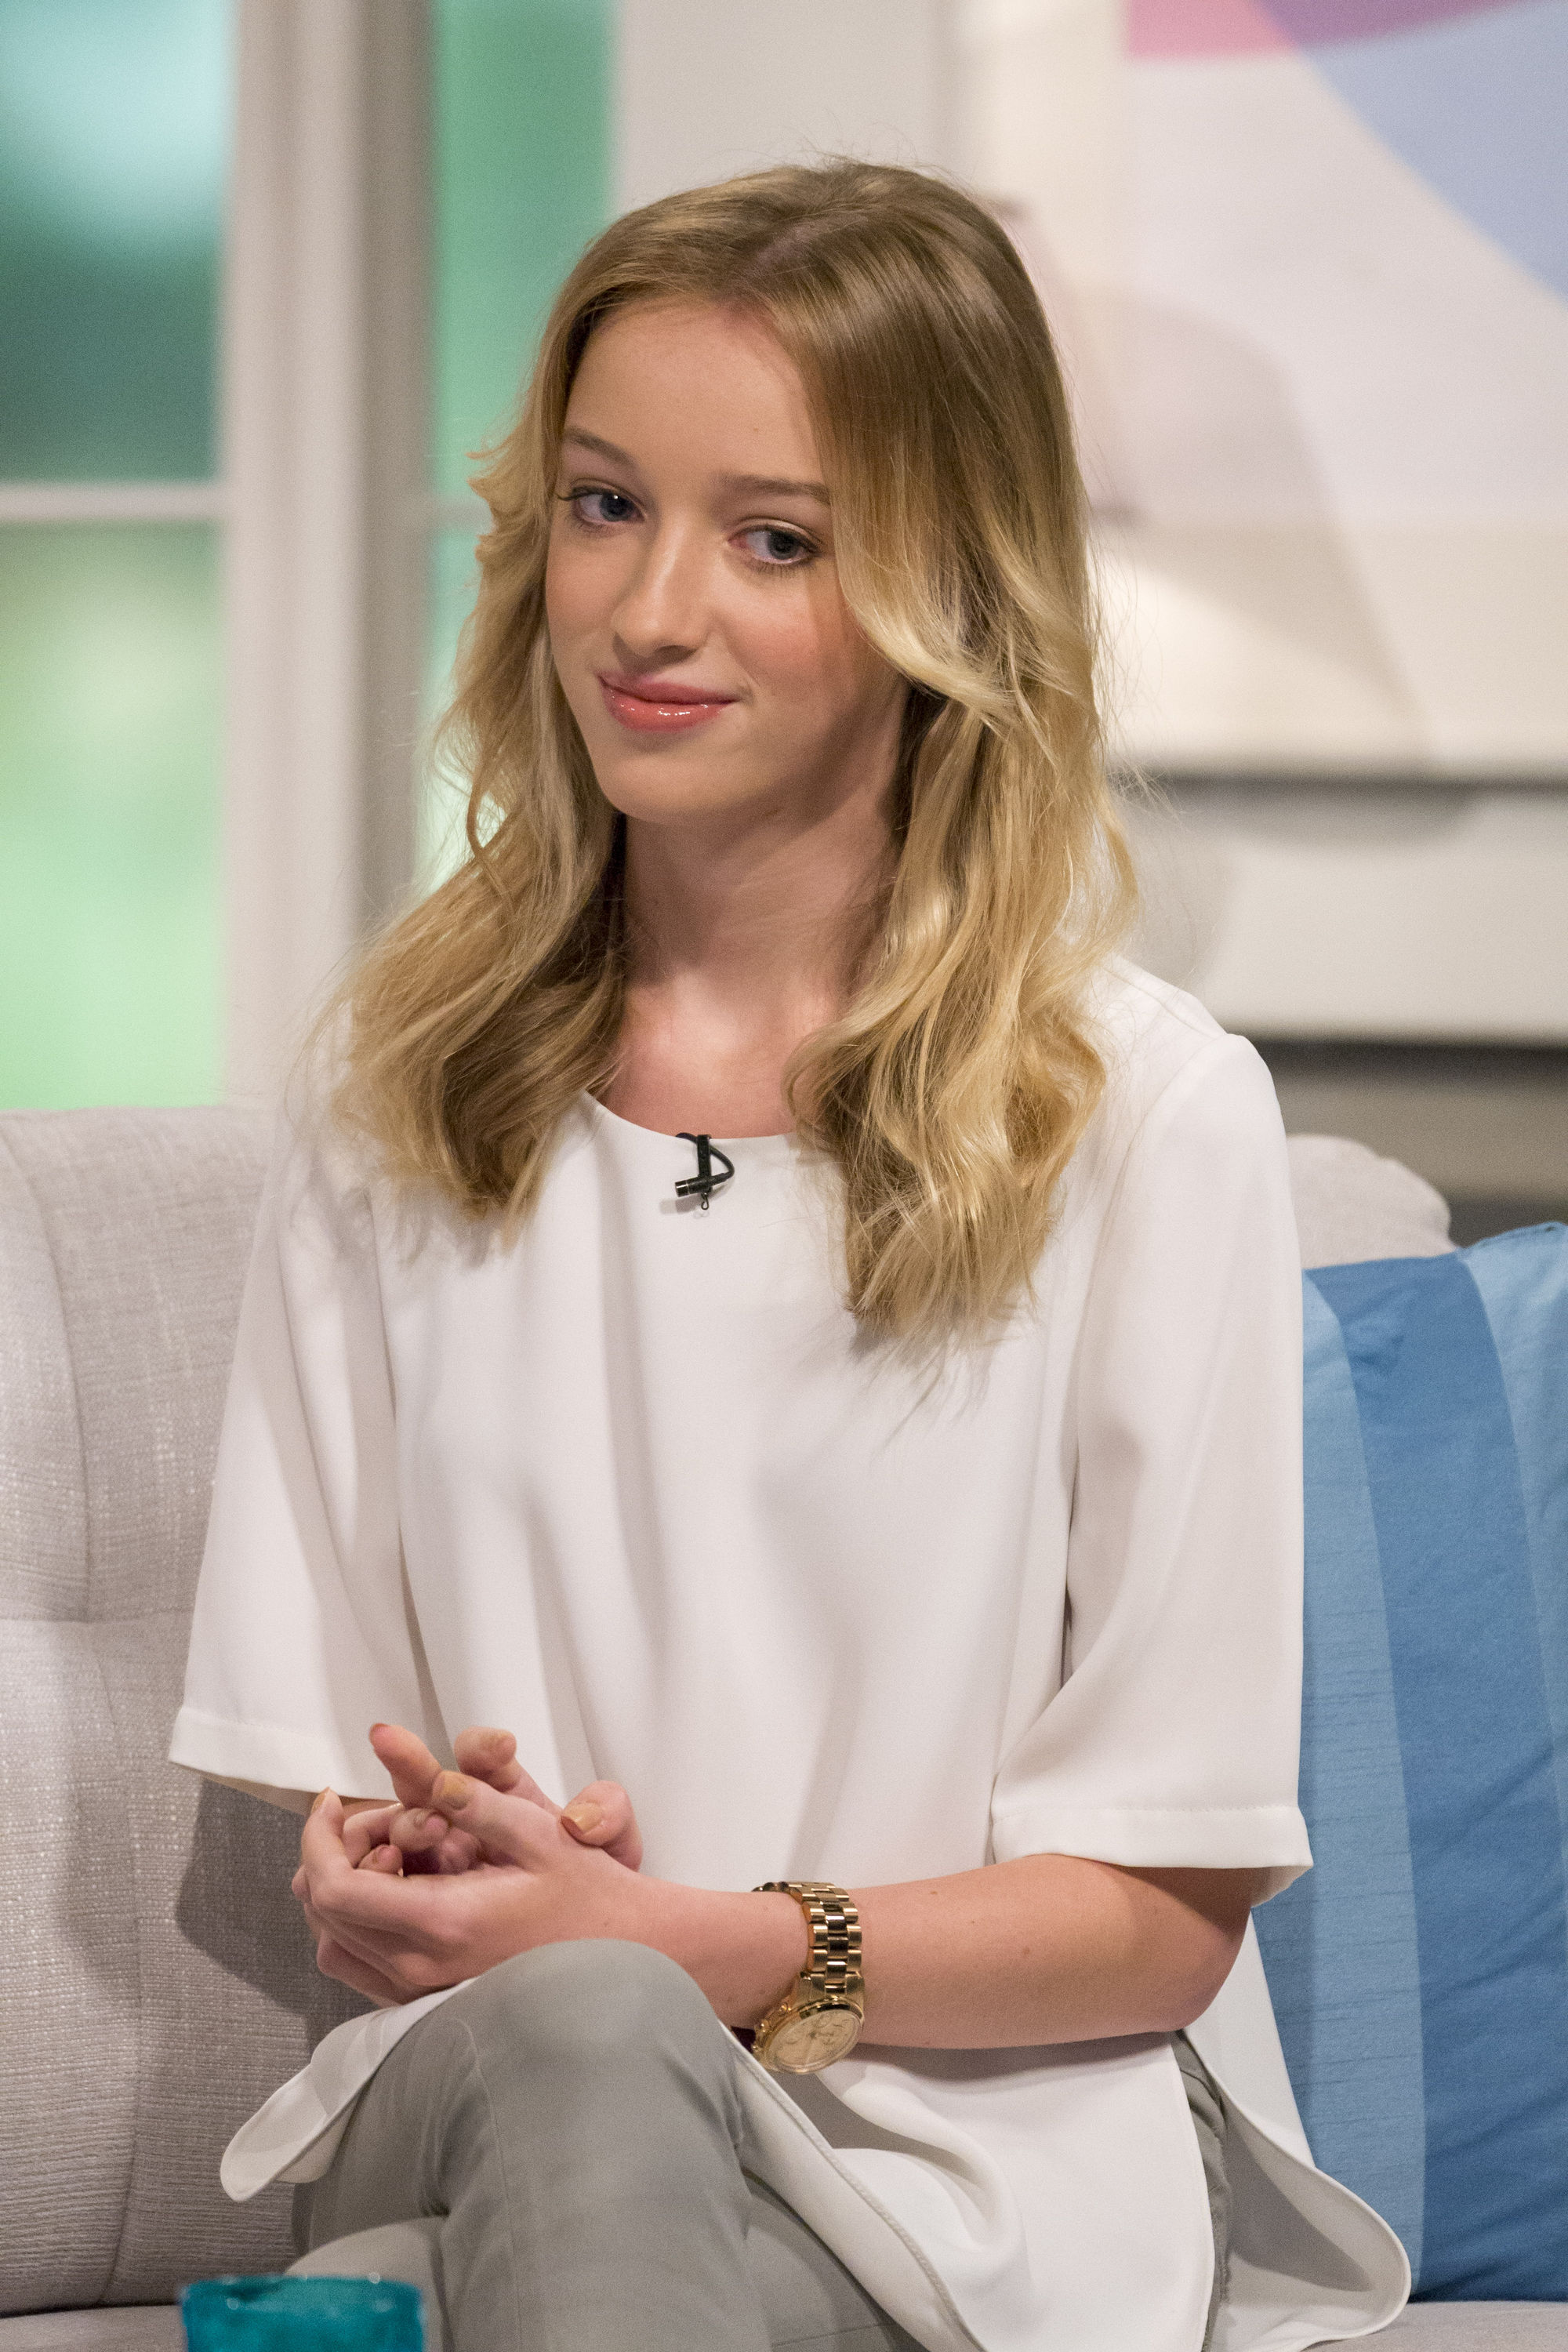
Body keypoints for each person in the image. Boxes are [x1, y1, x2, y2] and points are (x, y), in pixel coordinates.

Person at [172, 160, 1408, 2352]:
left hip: (983, 2175)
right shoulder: (396, 1090)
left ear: (951, 587)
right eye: (603, 505)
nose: (650, 613)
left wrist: (688, 1939)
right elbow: (343, 1765)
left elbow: (1162, 1915)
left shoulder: (1144, 1118)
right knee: (580, 2036)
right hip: (493, 2085)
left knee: (574, 2120)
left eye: (777, 540)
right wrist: (427, 1862)